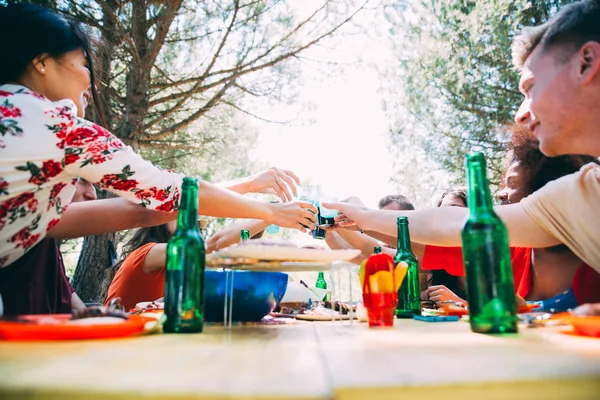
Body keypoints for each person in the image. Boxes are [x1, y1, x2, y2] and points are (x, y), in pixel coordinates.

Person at [0, 3, 317, 272]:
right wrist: (270, 212)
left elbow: (142, 209)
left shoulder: (21, 126)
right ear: (41, 63)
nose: (92, 83)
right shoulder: (58, 128)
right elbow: (174, 194)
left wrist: (248, 185)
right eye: (84, 63)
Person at [326, 0, 600, 275]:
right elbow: (452, 227)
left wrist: (364, 216)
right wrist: (362, 216)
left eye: (531, 87)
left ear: (587, 63)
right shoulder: (581, 195)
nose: (520, 115)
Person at [424, 127, 600, 311]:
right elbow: (434, 241)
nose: (500, 194)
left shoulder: (592, 250)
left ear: (547, 188)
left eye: (512, 183)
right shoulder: (511, 251)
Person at [104, 219, 270, 310]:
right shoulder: (149, 252)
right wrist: (271, 215)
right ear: (158, 220)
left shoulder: (184, 267)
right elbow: (215, 244)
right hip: (118, 342)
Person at [325, 194, 416, 264]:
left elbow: (366, 246)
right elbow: (350, 253)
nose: (385, 225)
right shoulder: (383, 247)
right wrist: (328, 234)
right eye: (383, 218)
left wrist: (361, 218)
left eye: (391, 218)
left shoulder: (418, 251)